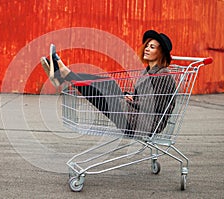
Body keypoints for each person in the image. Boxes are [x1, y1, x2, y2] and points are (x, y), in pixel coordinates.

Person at [40, 30, 176, 137]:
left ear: (161, 52)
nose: (146, 49)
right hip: (134, 116)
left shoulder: (163, 76)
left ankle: (63, 74)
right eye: (146, 45)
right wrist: (130, 97)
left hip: (145, 124)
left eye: (152, 47)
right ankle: (64, 74)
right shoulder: (148, 71)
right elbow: (141, 97)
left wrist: (131, 101)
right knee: (108, 83)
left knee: (104, 94)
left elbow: (154, 106)